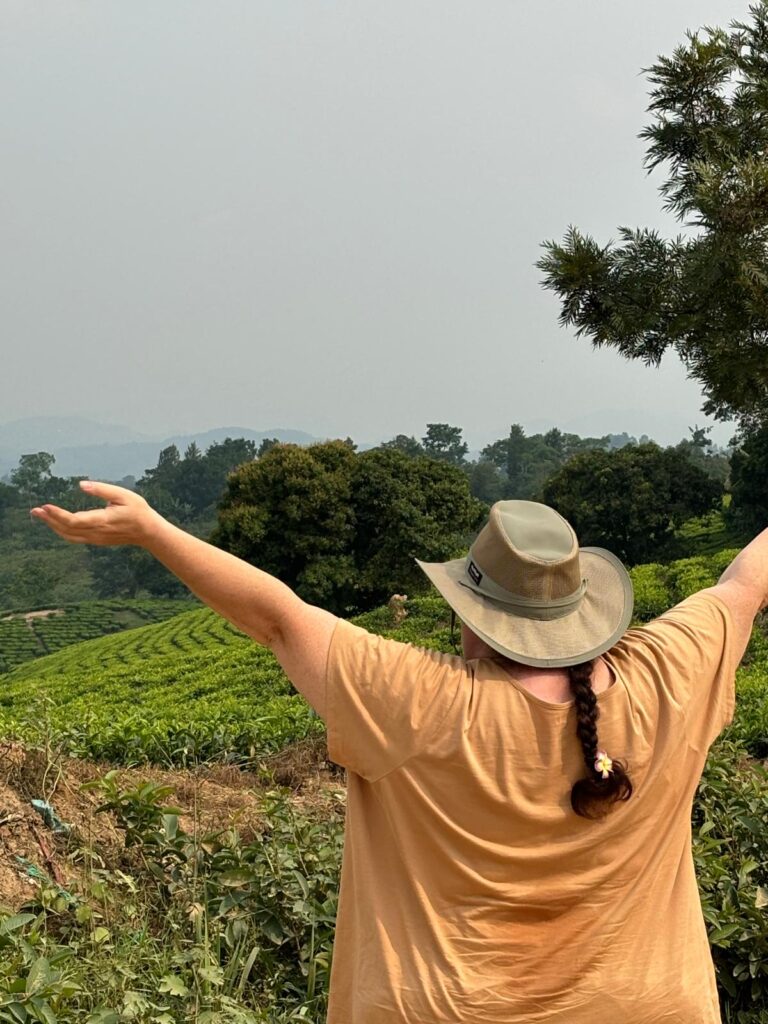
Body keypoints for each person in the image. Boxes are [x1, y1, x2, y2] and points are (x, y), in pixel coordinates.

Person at [30, 482, 760, 1024]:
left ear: (473, 614)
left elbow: (279, 618)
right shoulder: (670, 673)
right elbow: (744, 583)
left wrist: (154, 531)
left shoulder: (420, 701)